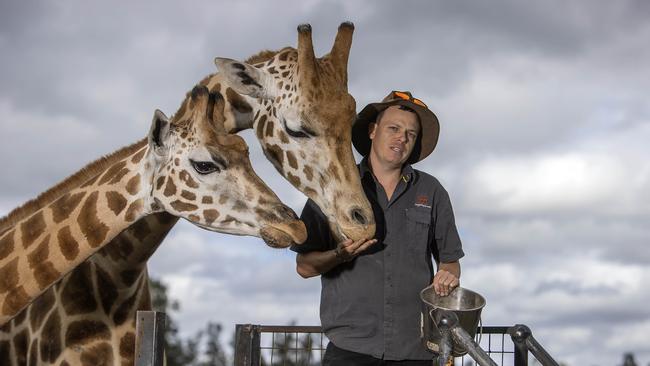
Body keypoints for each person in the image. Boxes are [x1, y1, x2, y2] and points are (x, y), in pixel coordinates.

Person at [291, 91, 464, 365]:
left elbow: (450, 263)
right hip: (350, 348)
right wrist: (339, 256)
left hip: (416, 349)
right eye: (393, 128)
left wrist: (447, 277)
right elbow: (304, 267)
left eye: (411, 134)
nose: (402, 138)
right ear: (373, 131)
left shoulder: (432, 192)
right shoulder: (332, 189)